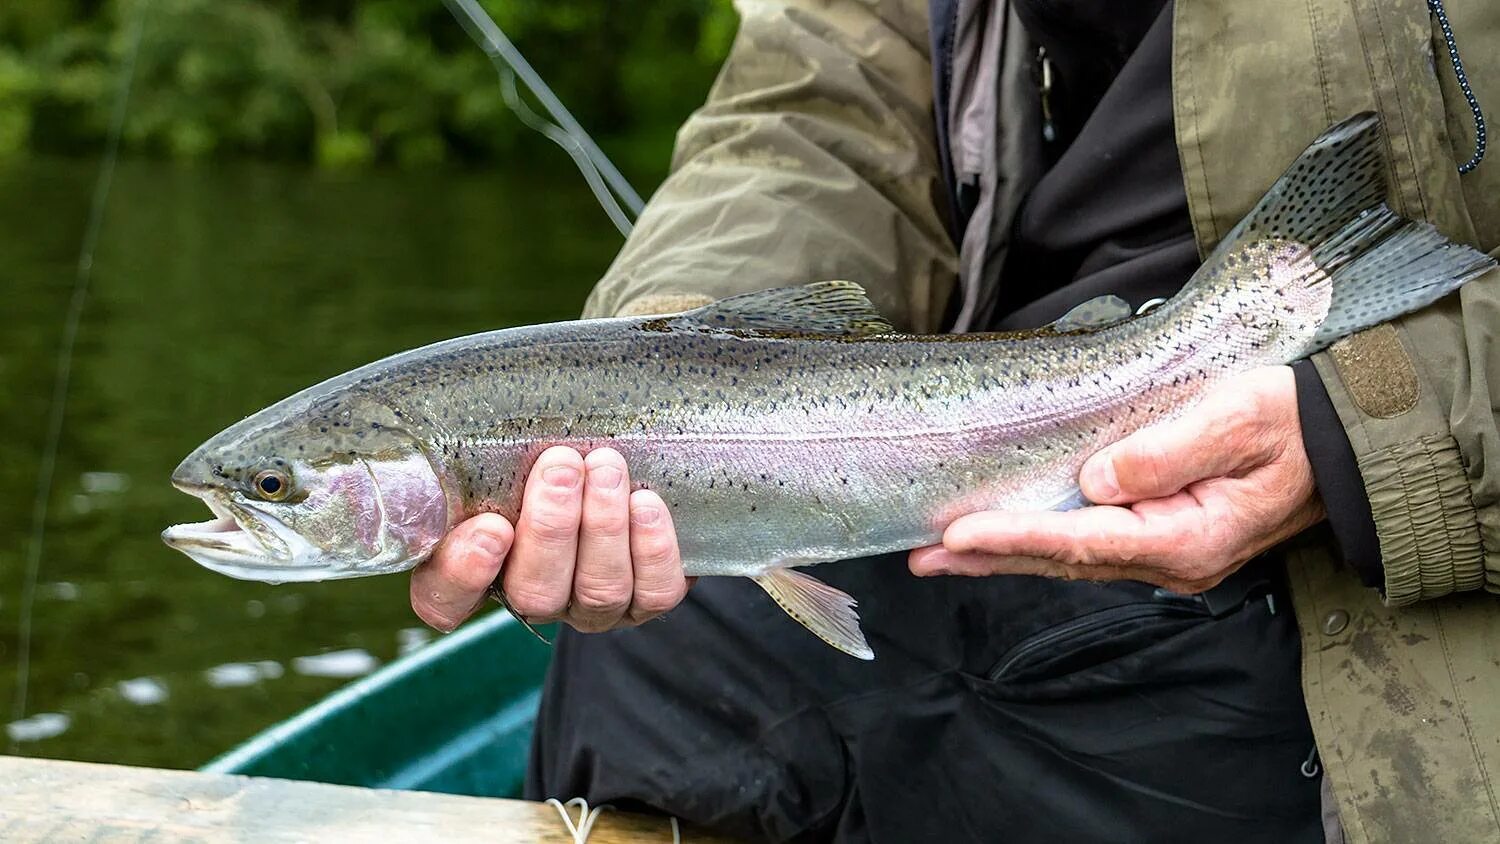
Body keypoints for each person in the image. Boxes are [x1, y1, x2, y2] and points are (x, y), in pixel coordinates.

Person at [410, 1, 1500, 840]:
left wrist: (1370, 422)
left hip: (1364, 554)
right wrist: (673, 361)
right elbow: (817, 110)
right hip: (985, 443)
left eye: (276, 494)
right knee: (638, 657)